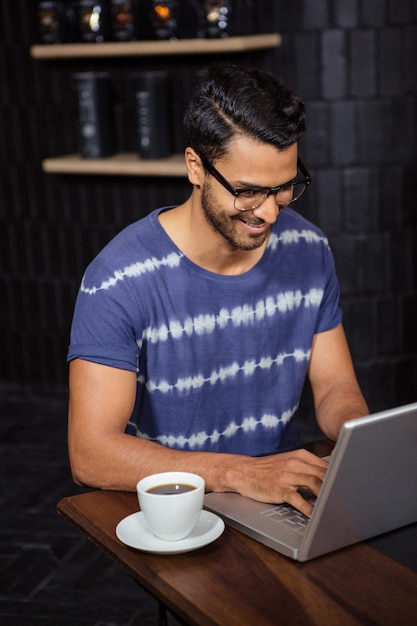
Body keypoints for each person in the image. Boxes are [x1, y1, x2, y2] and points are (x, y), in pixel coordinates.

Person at [67, 63, 368, 517]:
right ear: (196, 167)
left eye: (284, 187)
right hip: (176, 508)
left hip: (278, 499)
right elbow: (90, 454)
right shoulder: (118, 279)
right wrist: (239, 473)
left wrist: (364, 447)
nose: (268, 213)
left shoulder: (308, 249)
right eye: (248, 191)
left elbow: (335, 386)